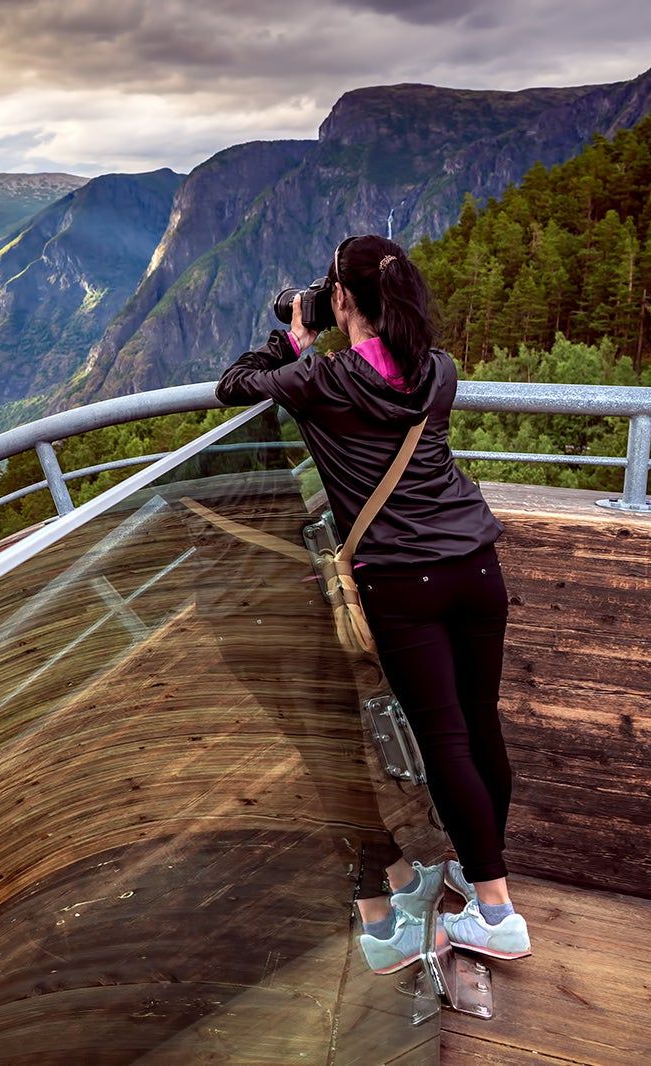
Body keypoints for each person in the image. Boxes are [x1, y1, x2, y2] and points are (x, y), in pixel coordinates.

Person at [213, 233, 531, 974]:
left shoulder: (321, 380)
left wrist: (291, 336)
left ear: (344, 299)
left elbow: (236, 384)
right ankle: (479, 874)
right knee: (481, 730)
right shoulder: (439, 371)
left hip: (404, 583)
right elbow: (388, 376)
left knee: (444, 740)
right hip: (477, 566)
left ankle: (497, 912)